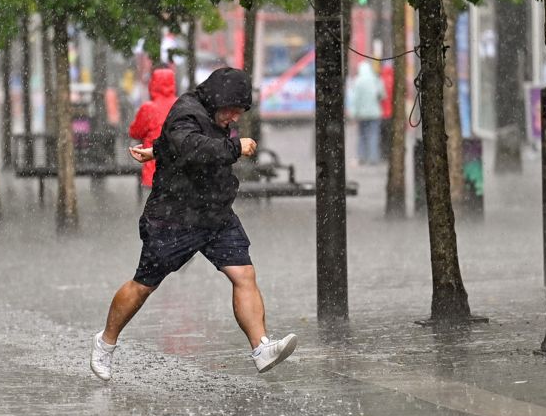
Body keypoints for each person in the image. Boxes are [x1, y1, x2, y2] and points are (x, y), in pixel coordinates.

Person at [90, 67, 298, 382]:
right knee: (143, 285)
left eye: (240, 113)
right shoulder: (186, 111)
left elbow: (176, 142)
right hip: (175, 216)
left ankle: (261, 348)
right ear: (219, 100)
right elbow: (191, 146)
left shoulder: (211, 114)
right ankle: (105, 343)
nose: (235, 119)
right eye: (233, 111)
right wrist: (236, 147)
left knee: (244, 274)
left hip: (215, 213)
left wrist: (155, 150)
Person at [128, 67, 177, 188]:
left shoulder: (148, 108)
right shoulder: (180, 105)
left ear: (153, 83)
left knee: (152, 205)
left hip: (154, 171)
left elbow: (135, 132)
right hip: (178, 173)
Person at [347, 61, 385, 165]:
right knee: (374, 136)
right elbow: (382, 95)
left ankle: (361, 157)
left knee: (362, 136)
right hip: (374, 114)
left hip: (362, 114)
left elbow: (355, 99)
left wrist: (353, 114)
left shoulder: (358, 81)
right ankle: (373, 158)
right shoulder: (376, 79)